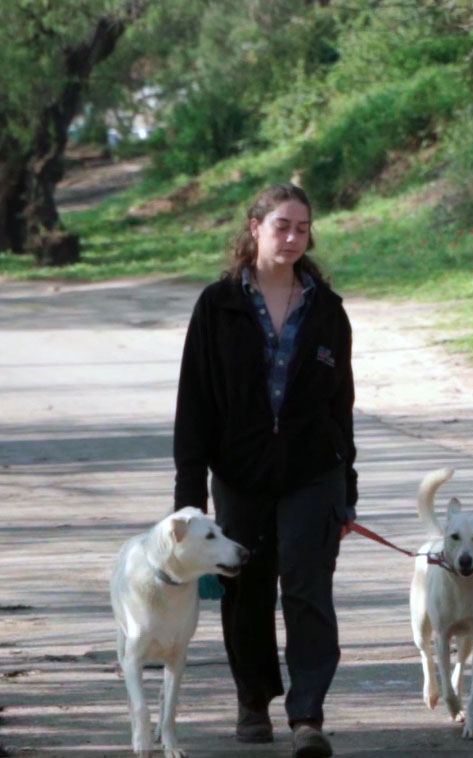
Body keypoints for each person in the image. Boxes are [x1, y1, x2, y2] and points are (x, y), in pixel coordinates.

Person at [173, 183, 357, 758]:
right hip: (240, 474)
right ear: (254, 226)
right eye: (282, 225)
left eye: (302, 228)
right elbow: (195, 404)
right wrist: (188, 496)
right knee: (246, 591)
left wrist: (346, 488)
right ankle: (253, 701)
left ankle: (308, 715)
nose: (293, 237)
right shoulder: (218, 305)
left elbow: (340, 405)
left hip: (311, 474)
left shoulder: (326, 309)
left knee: (307, 589)